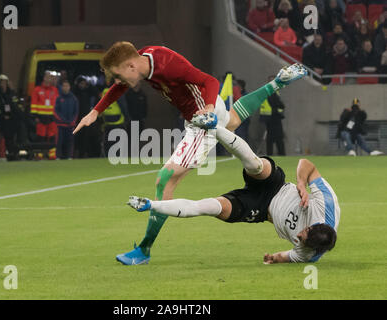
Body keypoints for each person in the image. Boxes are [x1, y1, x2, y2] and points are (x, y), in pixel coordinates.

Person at [73, 41, 308, 265]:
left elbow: (209, 81)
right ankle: (277, 83)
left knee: (165, 179)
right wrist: (96, 111)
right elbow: (120, 86)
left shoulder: (166, 64)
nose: (117, 80)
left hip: (201, 119)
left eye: (117, 74)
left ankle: (143, 250)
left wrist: (206, 110)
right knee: (233, 120)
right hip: (206, 109)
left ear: (131, 66)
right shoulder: (142, 59)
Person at [128, 115, 339, 264]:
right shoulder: (327, 205)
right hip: (276, 185)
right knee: (256, 165)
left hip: (258, 209)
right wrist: (301, 183)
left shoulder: (309, 253)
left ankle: (149, 204)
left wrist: (273, 258)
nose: (300, 235)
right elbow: (306, 164)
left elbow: (290, 256)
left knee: (211, 207)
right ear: (317, 223)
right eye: (305, 231)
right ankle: (213, 126)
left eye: (302, 239)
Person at [30, 70, 59, 160]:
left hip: (51, 117)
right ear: (44, 78)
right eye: (48, 76)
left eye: (50, 77)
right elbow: (33, 104)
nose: (49, 78)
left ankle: (52, 155)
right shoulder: (37, 90)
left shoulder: (54, 90)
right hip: (40, 117)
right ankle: (39, 155)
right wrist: (35, 117)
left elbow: (57, 104)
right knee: (40, 137)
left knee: (52, 137)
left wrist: (56, 116)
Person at [72, 75, 102, 158]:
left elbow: (96, 93)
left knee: (85, 137)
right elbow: (73, 89)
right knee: (76, 137)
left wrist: (89, 84)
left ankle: (83, 153)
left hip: (86, 119)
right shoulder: (75, 92)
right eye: (81, 83)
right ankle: (75, 153)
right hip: (76, 118)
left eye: (84, 84)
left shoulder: (88, 91)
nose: (83, 85)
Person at [0, 74, 21, 161]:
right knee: (5, 138)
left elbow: (15, 104)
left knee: (14, 138)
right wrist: (2, 116)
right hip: (3, 121)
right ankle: (6, 154)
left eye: (5, 82)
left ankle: (14, 153)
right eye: (2, 83)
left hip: (13, 120)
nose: (4, 84)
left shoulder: (11, 93)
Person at [259, 76, 286, 156]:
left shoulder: (268, 90)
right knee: (278, 138)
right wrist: (282, 106)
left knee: (270, 139)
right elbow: (276, 103)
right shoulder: (271, 91)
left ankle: (270, 154)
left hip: (268, 117)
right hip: (274, 117)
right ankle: (281, 154)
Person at [55, 80, 79, 160]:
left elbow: (76, 111)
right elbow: (56, 111)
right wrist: (63, 120)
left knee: (70, 141)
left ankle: (69, 156)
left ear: (69, 87)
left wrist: (72, 121)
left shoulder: (74, 98)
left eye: (67, 86)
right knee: (59, 141)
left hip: (70, 125)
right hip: (60, 125)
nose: (65, 87)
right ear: (62, 87)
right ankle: (58, 156)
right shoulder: (58, 98)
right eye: (64, 86)